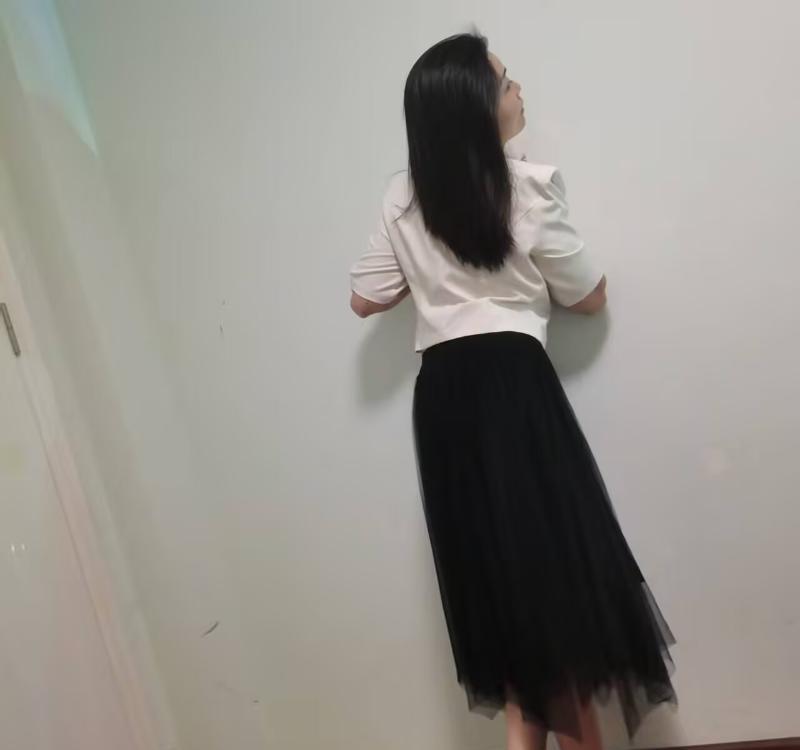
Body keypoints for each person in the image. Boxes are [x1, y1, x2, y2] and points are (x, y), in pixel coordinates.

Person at [348, 29, 677, 750]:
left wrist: (431, 274)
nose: (517, 89)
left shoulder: (404, 196)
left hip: (444, 396)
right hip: (513, 388)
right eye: (503, 83)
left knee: (500, 588)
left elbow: (365, 298)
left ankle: (531, 736)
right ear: (474, 109)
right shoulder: (525, 187)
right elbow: (588, 295)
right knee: (552, 588)